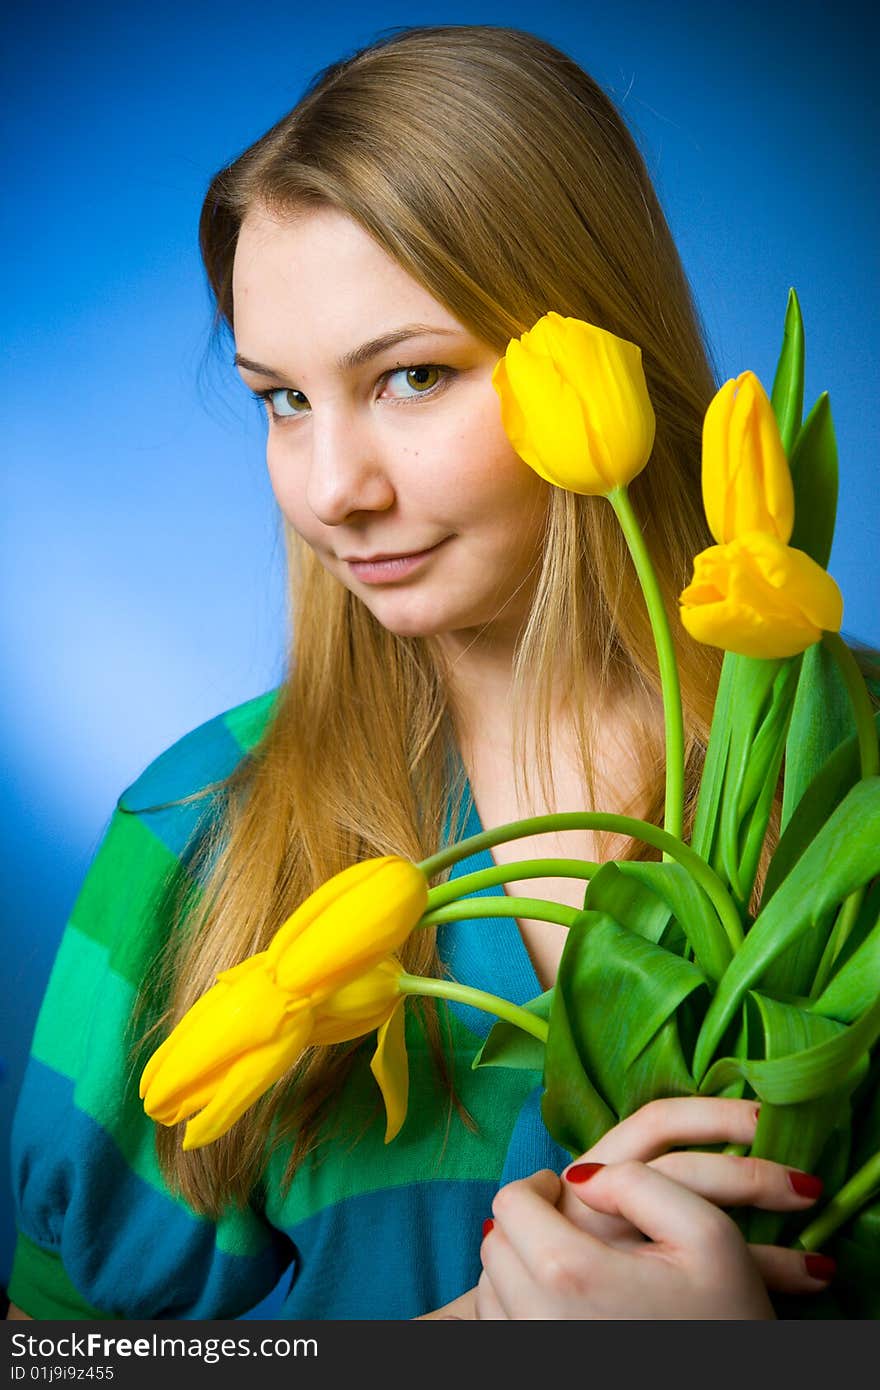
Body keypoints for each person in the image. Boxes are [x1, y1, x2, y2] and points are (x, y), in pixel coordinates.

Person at [7, 24, 873, 1322]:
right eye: (281, 400)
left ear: (596, 340)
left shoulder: (853, 768)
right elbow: (51, 1353)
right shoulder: (193, 831)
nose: (332, 491)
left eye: (411, 377)